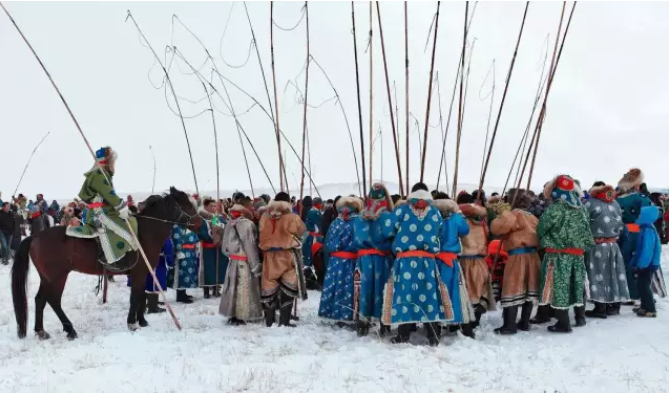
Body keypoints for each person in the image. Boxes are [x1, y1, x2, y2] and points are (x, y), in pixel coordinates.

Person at [380, 182, 453, 346]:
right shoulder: (435, 212)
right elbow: (440, 233)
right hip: (427, 261)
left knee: (405, 295)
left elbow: (387, 231)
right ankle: (433, 335)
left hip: (406, 261)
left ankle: (403, 335)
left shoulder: (401, 210)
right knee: (430, 297)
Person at [537, 175, 594, 333]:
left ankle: (563, 323)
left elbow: (542, 228)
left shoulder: (556, 207)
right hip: (578, 254)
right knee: (577, 284)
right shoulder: (581, 207)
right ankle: (580, 317)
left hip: (558, 254)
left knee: (559, 285)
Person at [65, 147, 137, 272]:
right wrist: (121, 206)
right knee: (127, 224)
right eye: (113, 161)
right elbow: (109, 194)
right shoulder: (99, 174)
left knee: (93, 230)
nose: (114, 164)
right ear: (107, 160)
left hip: (95, 211)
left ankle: (72, 230)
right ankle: (114, 258)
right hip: (101, 212)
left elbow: (92, 194)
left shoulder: (98, 174)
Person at [490, 188, 541, 335]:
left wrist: (502, 212)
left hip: (517, 256)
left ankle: (509, 325)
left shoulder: (512, 215)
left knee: (511, 288)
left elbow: (497, 228)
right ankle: (524, 322)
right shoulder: (532, 217)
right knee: (528, 288)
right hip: (533, 256)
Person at [258, 192, 307, 327]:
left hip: (269, 256)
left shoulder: (265, 216)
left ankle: (270, 321)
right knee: (288, 286)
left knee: (269, 286)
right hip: (287, 255)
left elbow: (261, 234)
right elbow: (302, 232)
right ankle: (284, 322)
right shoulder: (292, 217)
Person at [353, 183, 394, 336]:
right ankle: (384, 324)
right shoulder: (388, 217)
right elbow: (391, 237)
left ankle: (362, 323)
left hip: (363, 259)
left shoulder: (359, 217)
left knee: (364, 289)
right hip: (381, 258)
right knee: (382, 289)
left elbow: (354, 238)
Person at [583, 182, 629, 318]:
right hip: (613, 245)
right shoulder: (615, 203)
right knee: (613, 273)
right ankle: (614, 306)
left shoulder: (590, 203)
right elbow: (621, 224)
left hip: (596, 245)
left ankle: (600, 308)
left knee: (597, 274)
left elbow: (583, 224)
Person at [433, 197, 476, 338]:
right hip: (450, 262)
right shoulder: (456, 219)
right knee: (456, 293)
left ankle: (436, 329)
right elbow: (465, 230)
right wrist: (459, 214)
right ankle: (463, 326)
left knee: (437, 293)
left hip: (435, 262)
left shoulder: (432, 218)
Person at [318, 196, 362, 326]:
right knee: (350, 288)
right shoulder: (359, 222)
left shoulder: (336, 223)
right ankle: (351, 314)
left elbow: (328, 244)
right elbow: (360, 242)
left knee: (337, 286)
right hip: (353, 261)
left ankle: (336, 313)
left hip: (336, 262)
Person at [219, 203, 263, 325]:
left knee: (232, 287)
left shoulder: (229, 223)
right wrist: (255, 265)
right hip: (244, 261)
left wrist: (233, 255)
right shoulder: (248, 224)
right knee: (243, 288)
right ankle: (242, 315)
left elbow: (224, 248)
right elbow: (250, 246)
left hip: (233, 261)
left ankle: (231, 314)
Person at [457, 193, 496, 330]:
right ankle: (476, 319)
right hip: (481, 261)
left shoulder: (459, 220)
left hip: (464, 261)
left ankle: (467, 324)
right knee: (481, 291)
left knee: (467, 292)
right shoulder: (483, 221)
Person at [616, 168, 652, 305]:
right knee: (639, 262)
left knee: (624, 263)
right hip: (638, 233)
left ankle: (625, 292)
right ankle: (636, 293)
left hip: (620, 233)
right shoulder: (640, 198)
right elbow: (650, 215)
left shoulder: (617, 198)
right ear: (636, 184)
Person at [629, 205, 662, 318]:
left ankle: (651, 309)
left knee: (644, 286)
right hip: (646, 263)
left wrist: (642, 264)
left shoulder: (648, 230)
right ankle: (644, 306)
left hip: (648, 264)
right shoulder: (645, 227)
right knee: (640, 284)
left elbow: (647, 249)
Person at [198, 199, 228, 298]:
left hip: (218, 248)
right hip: (207, 248)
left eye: (215, 206)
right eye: (211, 206)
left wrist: (220, 232)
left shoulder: (217, 218)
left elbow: (226, 228)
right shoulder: (201, 219)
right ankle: (206, 290)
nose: (214, 208)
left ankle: (216, 288)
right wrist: (210, 234)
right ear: (205, 207)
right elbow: (201, 233)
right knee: (208, 269)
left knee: (218, 267)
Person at [170, 223, 200, 304]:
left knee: (188, 274)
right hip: (183, 252)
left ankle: (183, 293)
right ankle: (180, 295)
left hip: (191, 252)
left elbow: (195, 236)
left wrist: (196, 245)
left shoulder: (189, 225)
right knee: (182, 274)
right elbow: (176, 239)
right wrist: (178, 251)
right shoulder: (177, 226)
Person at [302, 196, 323, 288]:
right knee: (315, 258)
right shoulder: (314, 212)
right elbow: (320, 224)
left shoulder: (311, 211)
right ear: (318, 204)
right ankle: (313, 280)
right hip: (314, 238)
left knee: (310, 258)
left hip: (311, 236)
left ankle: (311, 280)